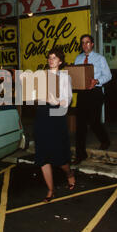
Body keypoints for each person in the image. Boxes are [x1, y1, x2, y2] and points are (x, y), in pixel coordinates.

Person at [33, 48, 75, 202]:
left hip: (56, 116)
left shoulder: (64, 78)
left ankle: (69, 173)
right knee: (43, 156)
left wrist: (55, 101)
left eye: (54, 58)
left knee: (59, 158)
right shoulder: (41, 76)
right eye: (49, 58)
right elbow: (34, 97)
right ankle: (51, 190)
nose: (51, 60)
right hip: (42, 117)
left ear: (60, 61)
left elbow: (67, 101)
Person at [72, 34, 112, 165]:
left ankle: (105, 140)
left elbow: (108, 75)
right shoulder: (78, 58)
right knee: (80, 124)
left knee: (94, 121)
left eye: (87, 42)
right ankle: (80, 154)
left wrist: (97, 81)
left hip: (95, 92)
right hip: (83, 94)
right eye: (83, 43)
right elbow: (76, 75)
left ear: (92, 44)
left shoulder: (100, 58)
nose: (85, 45)